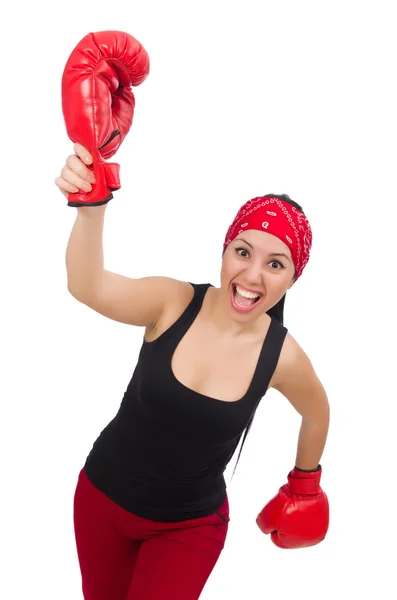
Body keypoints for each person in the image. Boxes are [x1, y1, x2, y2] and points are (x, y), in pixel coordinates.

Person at [55, 143, 330, 600]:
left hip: (189, 526)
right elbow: (88, 286)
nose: (253, 275)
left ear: (293, 278)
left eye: (275, 264)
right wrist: (91, 205)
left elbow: (317, 412)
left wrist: (305, 485)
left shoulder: (282, 357)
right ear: (225, 252)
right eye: (243, 252)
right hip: (100, 499)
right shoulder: (172, 302)